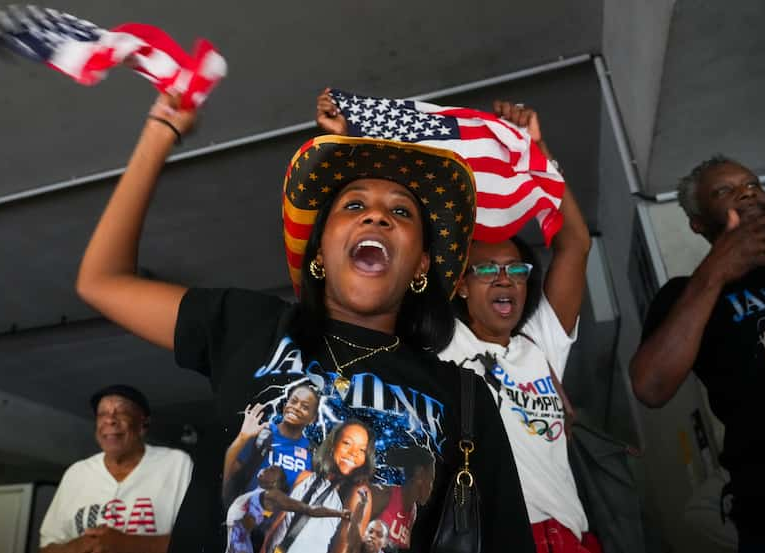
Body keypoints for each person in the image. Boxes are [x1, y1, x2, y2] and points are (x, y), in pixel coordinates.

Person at [74, 94, 534, 553]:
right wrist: (160, 131)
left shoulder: (464, 399)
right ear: (319, 253)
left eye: (401, 211)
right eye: (353, 206)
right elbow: (102, 281)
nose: (376, 215)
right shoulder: (247, 326)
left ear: (421, 266)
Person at [315, 92, 596, 551]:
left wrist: (536, 155)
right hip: (489, 535)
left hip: (567, 538)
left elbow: (575, 244)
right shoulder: (441, 349)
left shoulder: (541, 342)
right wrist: (345, 145)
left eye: (515, 270)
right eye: (487, 270)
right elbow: (384, 272)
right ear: (461, 284)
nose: (503, 280)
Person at [630, 155, 765, 551]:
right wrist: (718, 268)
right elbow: (651, 386)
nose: (747, 190)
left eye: (753, 183)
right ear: (699, 224)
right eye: (725, 190)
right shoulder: (683, 296)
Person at [40, 385, 193, 553]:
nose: (110, 420)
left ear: (143, 424)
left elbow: (198, 539)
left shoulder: (176, 464)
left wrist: (128, 544)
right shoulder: (77, 473)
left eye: (122, 413)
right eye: (102, 414)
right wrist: (74, 547)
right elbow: (47, 547)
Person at [263, 419, 375, 553]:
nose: (353, 453)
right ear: (333, 444)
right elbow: (277, 524)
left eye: (362, 449)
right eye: (347, 443)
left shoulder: (358, 494)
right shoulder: (305, 477)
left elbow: (346, 548)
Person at [223, 384, 320, 506]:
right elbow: (228, 477)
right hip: (245, 518)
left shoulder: (312, 452)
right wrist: (242, 438)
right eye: (293, 401)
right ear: (285, 406)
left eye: (305, 407)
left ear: (313, 418)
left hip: (280, 523)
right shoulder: (261, 433)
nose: (296, 407)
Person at [225, 465, 349, 553]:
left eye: (271, 470)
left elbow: (311, 510)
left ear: (274, 483)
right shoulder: (255, 495)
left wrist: (339, 513)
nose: (267, 468)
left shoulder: (273, 496)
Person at [369, 445, 435, 550]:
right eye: (431, 480)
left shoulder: (412, 511)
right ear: (420, 474)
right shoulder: (382, 495)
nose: (432, 488)